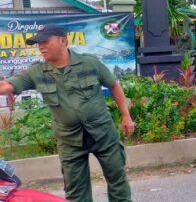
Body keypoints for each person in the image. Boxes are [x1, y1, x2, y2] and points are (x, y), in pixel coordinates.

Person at [0, 25, 133, 201]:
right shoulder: (36, 72)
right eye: (38, 43)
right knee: (76, 192)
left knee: (118, 183)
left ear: (63, 40)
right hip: (69, 141)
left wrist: (126, 115)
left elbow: (113, 85)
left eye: (45, 41)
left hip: (103, 133)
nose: (40, 46)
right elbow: (5, 86)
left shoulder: (90, 63)